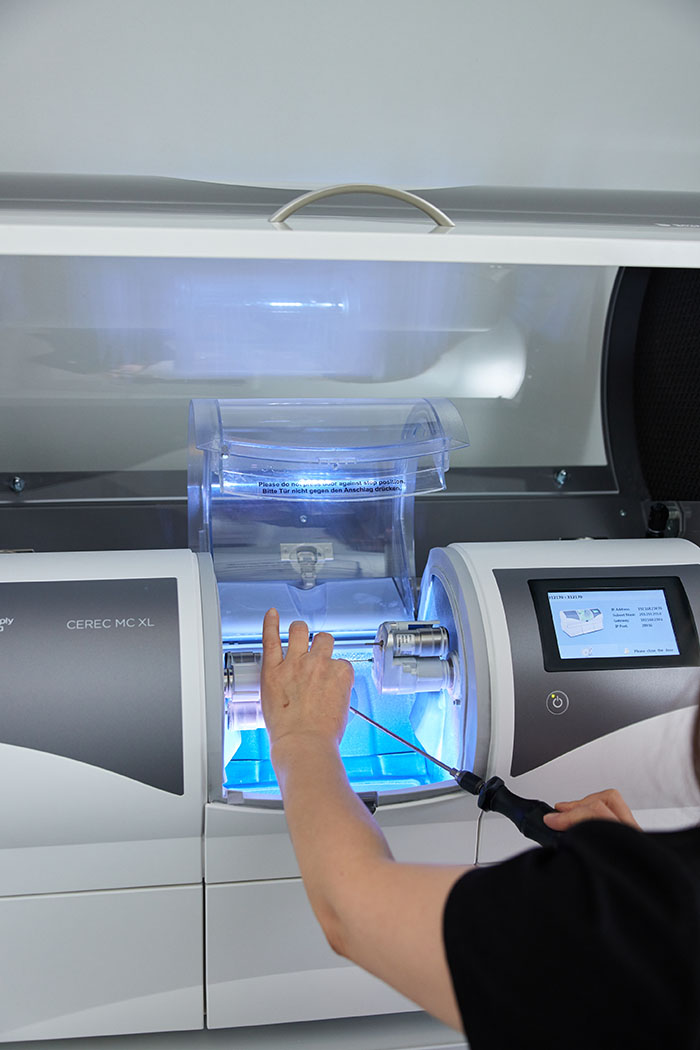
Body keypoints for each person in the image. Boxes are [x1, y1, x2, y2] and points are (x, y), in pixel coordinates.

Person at [260, 608, 700, 1049]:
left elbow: (349, 910)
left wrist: (301, 736)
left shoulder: (628, 923)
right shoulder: (655, 908)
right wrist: (638, 878)